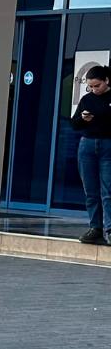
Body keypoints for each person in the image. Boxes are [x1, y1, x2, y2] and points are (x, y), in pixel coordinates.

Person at [72, 64, 111, 245]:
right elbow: (74, 124)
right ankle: (95, 228)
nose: (94, 89)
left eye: (97, 85)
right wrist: (83, 119)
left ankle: (109, 229)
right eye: (90, 86)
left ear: (106, 81)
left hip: (108, 145)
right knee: (90, 190)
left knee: (108, 190)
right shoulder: (87, 99)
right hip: (86, 145)